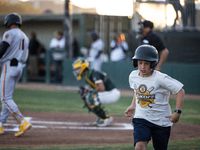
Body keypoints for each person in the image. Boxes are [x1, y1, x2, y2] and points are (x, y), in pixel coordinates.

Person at [124, 45, 185, 150]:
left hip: (161, 121)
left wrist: (177, 112)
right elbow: (136, 90)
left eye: (146, 63)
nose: (143, 67)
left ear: (153, 63)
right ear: (136, 63)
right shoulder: (133, 76)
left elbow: (180, 90)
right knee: (139, 146)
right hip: (141, 117)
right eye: (140, 63)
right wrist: (133, 105)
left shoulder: (160, 78)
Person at [0, 13, 32, 136]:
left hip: (9, 66)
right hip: (19, 67)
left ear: (9, 21)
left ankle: (22, 121)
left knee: (5, 98)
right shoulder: (24, 36)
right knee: (7, 97)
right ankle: (1, 124)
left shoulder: (9, 33)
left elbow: (3, 49)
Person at [72, 57, 120, 127]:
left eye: (78, 69)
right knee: (87, 96)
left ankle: (105, 118)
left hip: (113, 93)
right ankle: (101, 116)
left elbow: (101, 88)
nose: (76, 71)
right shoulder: (87, 75)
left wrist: (90, 93)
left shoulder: (93, 73)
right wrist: (86, 92)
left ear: (83, 67)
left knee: (91, 97)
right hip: (107, 93)